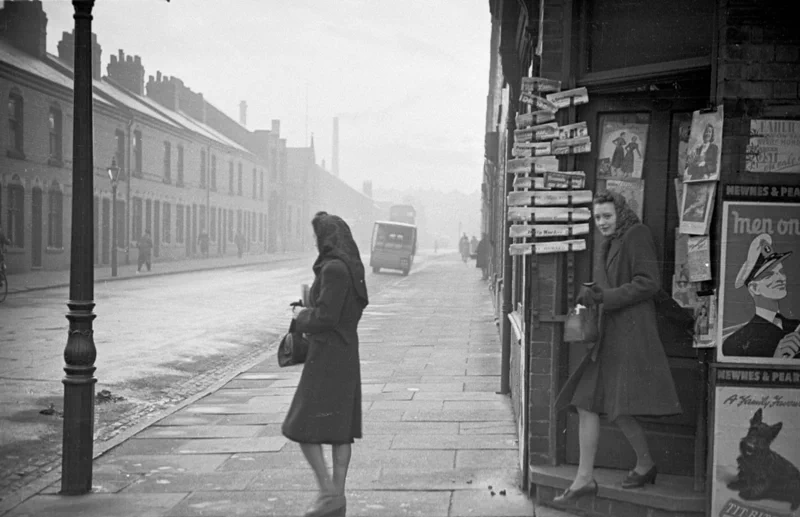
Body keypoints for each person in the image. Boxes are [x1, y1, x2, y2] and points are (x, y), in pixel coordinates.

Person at [553, 191, 682, 503]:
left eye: (607, 216)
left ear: (620, 213)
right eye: (597, 217)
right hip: (610, 335)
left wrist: (604, 297)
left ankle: (643, 464)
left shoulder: (637, 235)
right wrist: (593, 295)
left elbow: (649, 282)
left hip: (630, 333)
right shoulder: (610, 242)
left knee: (612, 405)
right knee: (590, 402)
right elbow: (612, 286)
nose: (602, 222)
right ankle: (587, 478)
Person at [282, 211, 368, 517]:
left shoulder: (333, 269)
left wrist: (301, 316)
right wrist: (311, 304)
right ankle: (338, 498)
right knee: (340, 431)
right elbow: (345, 310)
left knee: (301, 426)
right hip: (346, 353)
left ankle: (328, 493)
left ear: (325, 238)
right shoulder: (352, 266)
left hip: (327, 356)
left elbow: (327, 317)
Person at [722, 233, 800, 358]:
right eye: (769, 275)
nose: (780, 278)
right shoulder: (736, 342)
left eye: (781, 271)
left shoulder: (796, 326)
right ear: (754, 288)